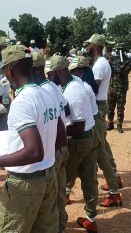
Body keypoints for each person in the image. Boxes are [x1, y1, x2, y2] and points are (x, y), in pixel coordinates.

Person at [0, 45, 59, 233]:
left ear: (10, 71)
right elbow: (58, 135)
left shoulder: (22, 101)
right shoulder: (48, 93)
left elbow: (33, 151)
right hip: (48, 174)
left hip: (26, 182)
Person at [47, 55, 101, 232]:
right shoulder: (73, 82)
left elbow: (78, 126)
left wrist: (54, 134)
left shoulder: (73, 91)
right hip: (90, 135)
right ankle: (90, 218)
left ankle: (58, 223)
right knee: (89, 178)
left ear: (60, 72)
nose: (49, 77)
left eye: (51, 74)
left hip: (80, 140)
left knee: (62, 180)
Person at [84, 34, 123, 207]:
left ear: (97, 46)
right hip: (98, 105)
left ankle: (114, 190)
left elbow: (93, 88)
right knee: (103, 145)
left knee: (99, 149)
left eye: (89, 45)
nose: (87, 47)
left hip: (97, 106)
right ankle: (114, 177)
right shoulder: (99, 63)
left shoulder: (100, 64)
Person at [32, 52, 69, 232]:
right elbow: (65, 111)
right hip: (59, 146)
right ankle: (60, 225)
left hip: (52, 148)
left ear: (37, 69)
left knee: (49, 197)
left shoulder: (42, 90)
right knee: (58, 192)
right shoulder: (53, 87)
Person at [107, 44, 131, 133]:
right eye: (118, 49)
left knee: (120, 107)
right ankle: (110, 123)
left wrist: (122, 68)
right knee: (110, 106)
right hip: (111, 87)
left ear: (124, 50)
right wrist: (109, 63)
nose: (119, 51)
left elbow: (125, 73)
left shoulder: (128, 61)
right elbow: (107, 72)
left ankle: (119, 124)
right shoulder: (112, 59)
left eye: (121, 49)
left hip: (121, 88)